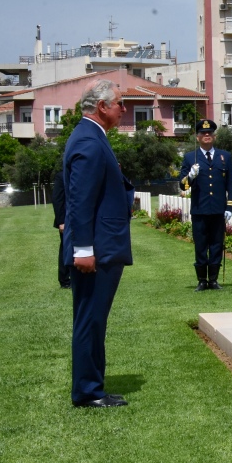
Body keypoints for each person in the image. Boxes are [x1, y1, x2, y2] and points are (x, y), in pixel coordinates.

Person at [63, 79, 134, 408]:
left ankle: (93, 385)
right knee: (90, 319)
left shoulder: (93, 136)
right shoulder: (89, 141)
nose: (124, 109)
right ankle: (88, 392)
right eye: (119, 103)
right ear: (102, 106)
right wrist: (83, 249)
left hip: (103, 245)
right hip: (97, 249)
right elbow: (80, 201)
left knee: (94, 319)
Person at [179, 119, 232, 292]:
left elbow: (230, 184)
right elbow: (183, 186)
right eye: (203, 133)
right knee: (201, 246)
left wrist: (230, 207)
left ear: (214, 136)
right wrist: (190, 176)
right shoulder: (190, 158)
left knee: (217, 245)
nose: (206, 135)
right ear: (197, 137)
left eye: (209, 133)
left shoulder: (225, 157)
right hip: (200, 209)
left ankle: (213, 280)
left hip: (218, 209)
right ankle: (202, 280)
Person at [52, 170, 71, 289]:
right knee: (66, 248)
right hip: (66, 220)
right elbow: (57, 199)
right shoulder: (61, 176)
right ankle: (65, 280)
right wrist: (61, 222)